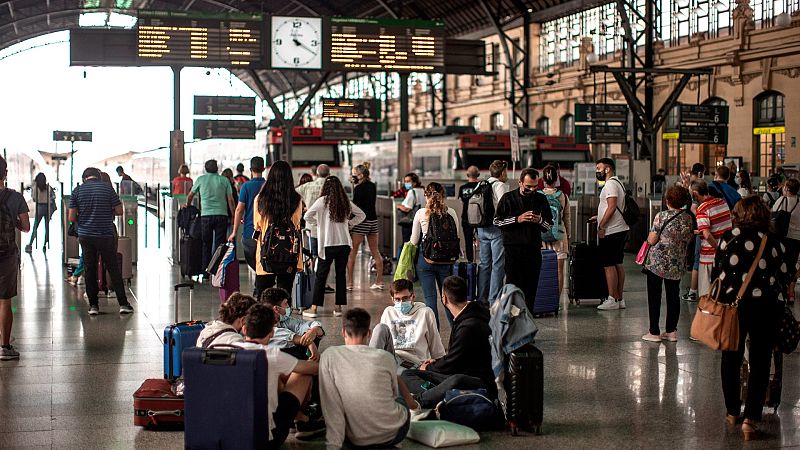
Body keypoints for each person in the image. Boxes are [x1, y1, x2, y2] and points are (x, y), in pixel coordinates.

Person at [712, 196, 791, 441]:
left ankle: (732, 411)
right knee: (760, 361)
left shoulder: (728, 237)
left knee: (730, 358)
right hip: (766, 307)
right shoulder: (774, 241)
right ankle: (751, 419)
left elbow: (717, 271)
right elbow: (785, 275)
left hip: (733, 307)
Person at [320, 308, 417, 449]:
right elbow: (394, 394)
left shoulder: (329, 355)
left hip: (354, 438)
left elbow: (330, 404)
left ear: (343, 332)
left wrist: (333, 445)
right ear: (369, 333)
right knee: (398, 394)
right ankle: (415, 407)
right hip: (393, 434)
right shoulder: (385, 357)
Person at [231, 304, 324, 446]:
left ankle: (300, 417)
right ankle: (303, 421)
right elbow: (314, 369)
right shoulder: (271, 355)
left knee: (277, 376)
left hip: (234, 436)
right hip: (267, 440)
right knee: (302, 373)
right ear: (272, 333)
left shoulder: (232, 350)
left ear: (244, 329)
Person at [400, 276, 495, 408]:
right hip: (460, 371)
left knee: (455, 380)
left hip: (478, 381)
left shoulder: (468, 326)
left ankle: (420, 400)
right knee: (407, 374)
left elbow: (452, 362)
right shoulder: (470, 315)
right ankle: (436, 395)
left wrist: (429, 367)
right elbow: (456, 356)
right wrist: (436, 362)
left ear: (444, 298)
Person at [69, 167, 133, 315]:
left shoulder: (77, 191)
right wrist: (106, 211)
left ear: (84, 178)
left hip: (86, 235)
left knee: (89, 269)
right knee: (113, 269)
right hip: (105, 235)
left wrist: (84, 215)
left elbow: (71, 217)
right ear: (98, 177)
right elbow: (119, 211)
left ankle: (93, 306)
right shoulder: (108, 189)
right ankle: (123, 304)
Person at [303, 176, 365, 318]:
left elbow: (307, 216)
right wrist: (350, 223)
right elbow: (362, 215)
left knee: (321, 275)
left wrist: (318, 224)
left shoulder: (322, 201)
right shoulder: (345, 201)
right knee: (340, 275)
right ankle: (338, 308)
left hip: (327, 244)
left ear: (325, 187)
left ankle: (314, 308)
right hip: (344, 244)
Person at [493, 168, 553, 310]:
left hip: (533, 249)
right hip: (513, 250)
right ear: (520, 183)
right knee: (513, 287)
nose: (531, 190)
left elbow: (549, 225)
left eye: (535, 186)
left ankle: (527, 316)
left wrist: (539, 220)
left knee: (531, 287)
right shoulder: (508, 198)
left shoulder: (540, 199)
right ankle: (512, 316)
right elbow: (497, 221)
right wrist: (517, 219)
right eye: (528, 187)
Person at [640, 186, 693, 342]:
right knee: (673, 296)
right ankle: (671, 331)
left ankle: (654, 332)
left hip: (657, 263)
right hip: (677, 263)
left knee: (654, 296)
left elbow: (652, 239)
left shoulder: (661, 216)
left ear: (668, 200)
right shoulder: (688, 218)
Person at [410, 182, 461, 327]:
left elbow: (414, 241)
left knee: (430, 298)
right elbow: (456, 236)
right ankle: (456, 332)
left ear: (426, 195)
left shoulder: (421, 213)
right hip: (446, 261)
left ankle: (435, 335)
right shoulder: (451, 212)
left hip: (426, 260)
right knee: (449, 298)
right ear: (443, 195)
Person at [253, 160, 304, 298]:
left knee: (263, 294)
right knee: (285, 294)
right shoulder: (296, 199)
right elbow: (297, 224)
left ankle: (265, 312)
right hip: (289, 252)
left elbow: (257, 225)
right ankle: (284, 312)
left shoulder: (260, 199)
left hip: (266, 251)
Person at [371, 279, 445, 367]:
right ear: (392, 299)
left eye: (405, 298)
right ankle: (370, 365)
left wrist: (441, 365)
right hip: (393, 358)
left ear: (413, 296)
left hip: (415, 363)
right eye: (397, 299)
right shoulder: (388, 312)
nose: (401, 303)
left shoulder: (425, 313)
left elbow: (435, 343)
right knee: (380, 328)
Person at [0, 156, 30, 360]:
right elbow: (26, 226)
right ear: (5, 173)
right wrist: (16, 223)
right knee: (4, 300)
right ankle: (5, 347)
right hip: (7, 254)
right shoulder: (15, 197)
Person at [593, 158, 630, 311]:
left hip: (612, 230)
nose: (597, 171)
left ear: (607, 169)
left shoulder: (609, 184)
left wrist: (601, 225)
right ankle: (619, 298)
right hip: (620, 229)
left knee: (608, 265)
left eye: (599, 168)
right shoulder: (618, 182)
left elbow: (612, 206)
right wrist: (598, 216)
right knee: (617, 263)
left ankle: (612, 299)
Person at [186, 159, 235, 273]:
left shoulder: (201, 179)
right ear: (217, 168)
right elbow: (230, 200)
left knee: (206, 244)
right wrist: (233, 215)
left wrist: (187, 205)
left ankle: (205, 271)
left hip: (206, 216)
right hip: (221, 215)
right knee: (219, 245)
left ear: (205, 168)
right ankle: (216, 271)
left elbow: (190, 195)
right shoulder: (224, 180)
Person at [347, 162, 385, 290]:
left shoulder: (358, 188)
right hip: (373, 221)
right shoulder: (373, 186)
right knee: (375, 252)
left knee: (352, 252)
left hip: (361, 222)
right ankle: (379, 281)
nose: (353, 176)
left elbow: (356, 207)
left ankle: (350, 283)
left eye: (354, 174)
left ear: (361, 175)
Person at [691, 180, 732, 297]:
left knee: (707, 296)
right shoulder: (722, 202)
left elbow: (707, 235)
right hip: (726, 254)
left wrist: (718, 249)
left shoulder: (702, 209)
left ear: (695, 193)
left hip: (709, 257)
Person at [260, 287, 324, 361]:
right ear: (276, 309)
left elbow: (307, 325)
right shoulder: (260, 322)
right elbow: (278, 332)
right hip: (274, 358)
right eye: (285, 303)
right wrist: (308, 342)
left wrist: (314, 330)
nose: (288, 306)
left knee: (314, 332)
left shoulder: (284, 320)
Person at [478, 160, 510, 305]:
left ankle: (482, 298)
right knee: (498, 264)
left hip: (481, 228)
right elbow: (504, 208)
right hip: (496, 228)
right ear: (502, 172)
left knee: (484, 264)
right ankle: (493, 299)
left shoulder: (481, 184)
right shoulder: (500, 185)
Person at [228, 157, 266, 274]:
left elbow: (239, 209)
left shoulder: (246, 186)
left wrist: (234, 232)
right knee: (264, 264)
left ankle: (259, 280)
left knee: (254, 263)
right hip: (267, 233)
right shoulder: (269, 185)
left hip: (250, 233)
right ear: (263, 169)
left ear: (250, 169)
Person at [539, 166, 571, 296]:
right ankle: (555, 300)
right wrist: (568, 235)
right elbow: (567, 218)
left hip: (542, 236)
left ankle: (544, 298)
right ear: (556, 179)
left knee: (542, 269)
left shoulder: (537, 195)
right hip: (559, 236)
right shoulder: (563, 196)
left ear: (543, 180)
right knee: (559, 271)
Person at [680, 162, 706, 302]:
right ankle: (694, 291)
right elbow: (693, 207)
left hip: (694, 226)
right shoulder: (698, 186)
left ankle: (694, 291)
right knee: (697, 259)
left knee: (696, 259)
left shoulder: (691, 185)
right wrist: (702, 220)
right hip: (698, 227)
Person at [772, 178, 800, 304]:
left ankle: (781, 290)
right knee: (792, 264)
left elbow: (773, 214)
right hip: (796, 238)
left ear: (787, 188)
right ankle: (791, 292)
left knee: (781, 263)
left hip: (782, 237)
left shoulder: (782, 200)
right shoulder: (799, 202)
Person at [297, 163, 330, 259]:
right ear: (329, 174)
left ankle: (313, 267)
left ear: (317, 174)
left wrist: (305, 205)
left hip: (312, 228)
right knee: (326, 257)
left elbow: (293, 193)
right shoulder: (333, 188)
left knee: (313, 255)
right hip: (329, 228)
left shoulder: (307, 186)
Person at [25, 172, 54, 252]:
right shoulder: (48, 187)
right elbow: (52, 197)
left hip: (40, 207)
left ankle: (30, 244)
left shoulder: (36, 187)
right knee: (47, 227)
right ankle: (45, 244)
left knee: (35, 226)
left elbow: (34, 198)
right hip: (48, 207)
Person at [457, 166, 480, 262]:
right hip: (480, 217)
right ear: (478, 174)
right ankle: (483, 260)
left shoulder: (463, 188)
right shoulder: (481, 187)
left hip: (466, 217)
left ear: (467, 175)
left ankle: (470, 262)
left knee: (468, 240)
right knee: (483, 240)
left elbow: (462, 203)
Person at [397, 172, 426, 243]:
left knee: (407, 244)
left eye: (408, 181)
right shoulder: (423, 190)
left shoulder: (411, 192)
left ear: (414, 183)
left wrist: (399, 206)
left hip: (410, 223)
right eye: (405, 181)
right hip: (422, 221)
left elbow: (407, 209)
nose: (406, 183)